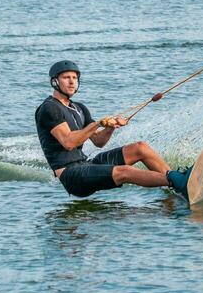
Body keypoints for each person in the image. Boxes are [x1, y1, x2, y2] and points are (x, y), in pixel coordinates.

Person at [35, 60, 192, 199]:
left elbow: (99, 142)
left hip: (85, 164)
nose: (72, 82)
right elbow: (68, 142)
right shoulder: (49, 108)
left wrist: (109, 128)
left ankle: (177, 186)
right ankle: (178, 180)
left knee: (140, 148)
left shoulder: (79, 108)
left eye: (75, 78)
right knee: (123, 171)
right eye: (66, 78)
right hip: (70, 175)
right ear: (55, 81)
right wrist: (97, 124)